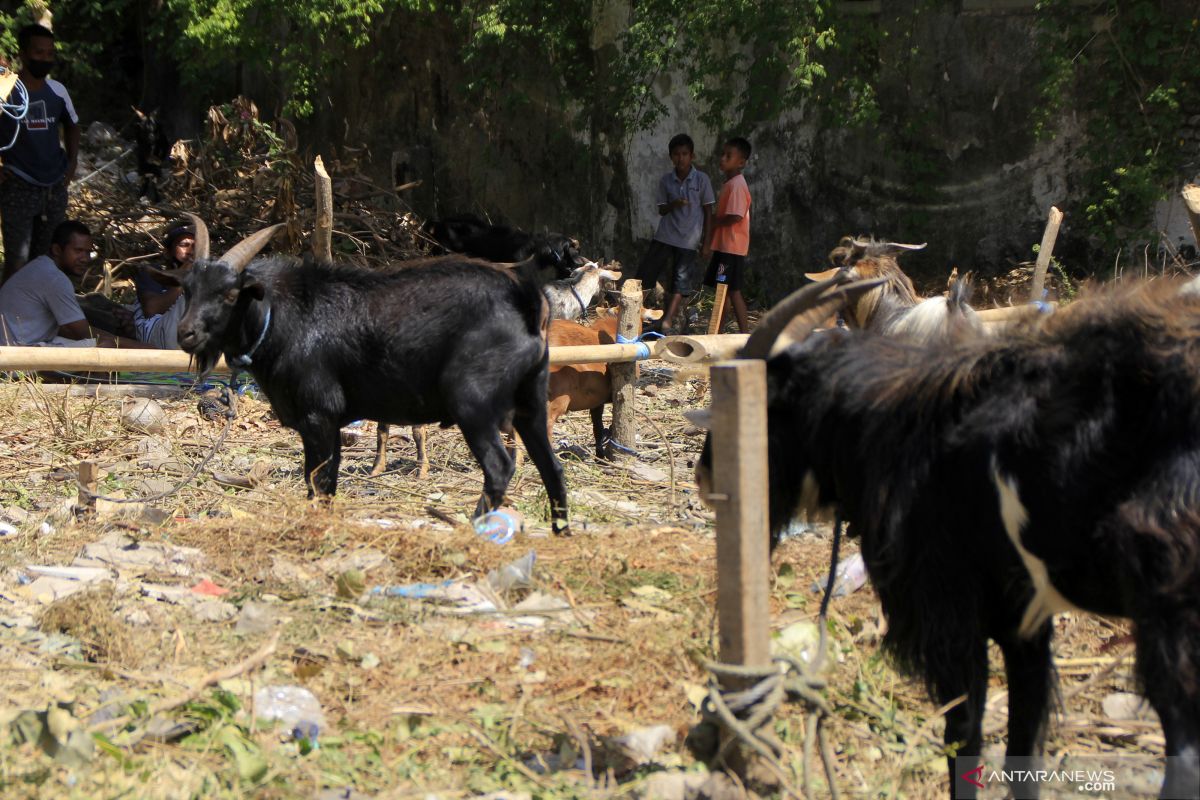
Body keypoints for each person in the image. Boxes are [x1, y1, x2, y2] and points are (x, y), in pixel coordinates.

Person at [0, 23, 80, 284]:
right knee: (17, 259)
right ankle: (8, 317)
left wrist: (72, 163)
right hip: (18, 184)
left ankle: (39, 315)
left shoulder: (57, 91)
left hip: (54, 187)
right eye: (38, 52)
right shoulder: (6, 90)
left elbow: (72, 125)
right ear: (23, 54)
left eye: (49, 54)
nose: (45, 59)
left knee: (47, 259)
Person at [0, 220, 150, 347]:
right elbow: (83, 333)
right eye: (78, 251)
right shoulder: (54, 278)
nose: (85, 258)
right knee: (106, 345)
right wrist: (140, 348)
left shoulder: (40, 268)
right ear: (57, 250)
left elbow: (68, 329)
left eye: (87, 252)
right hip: (17, 357)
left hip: (15, 348)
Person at [633, 133, 714, 334]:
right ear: (671, 157)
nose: (681, 158)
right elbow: (661, 209)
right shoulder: (666, 181)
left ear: (692, 156)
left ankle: (668, 320)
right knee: (645, 273)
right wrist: (674, 204)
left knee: (681, 280)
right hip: (665, 236)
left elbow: (708, 212)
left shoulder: (702, 180)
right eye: (676, 154)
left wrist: (706, 243)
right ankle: (634, 314)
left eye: (685, 154)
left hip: (689, 239)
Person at [702, 137, 752, 334]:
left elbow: (735, 216)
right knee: (727, 290)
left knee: (729, 290)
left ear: (741, 162)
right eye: (722, 155)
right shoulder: (731, 183)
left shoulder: (737, 184)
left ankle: (741, 333)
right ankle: (720, 331)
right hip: (727, 246)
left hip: (731, 247)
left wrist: (714, 221)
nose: (722, 159)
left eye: (728, 156)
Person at [132, 222, 193, 348]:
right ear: (167, 252)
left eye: (194, 246)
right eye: (184, 245)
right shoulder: (152, 272)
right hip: (152, 333)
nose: (190, 251)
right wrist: (184, 276)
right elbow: (151, 310)